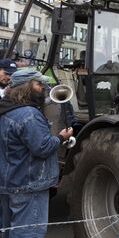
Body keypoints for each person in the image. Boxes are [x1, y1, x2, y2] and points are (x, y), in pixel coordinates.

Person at [0, 70, 73, 238]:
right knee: (28, 233)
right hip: (28, 184)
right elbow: (43, 147)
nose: (44, 88)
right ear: (26, 87)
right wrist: (62, 137)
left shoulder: (5, 109)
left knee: (8, 231)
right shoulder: (29, 114)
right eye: (39, 84)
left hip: (8, 182)